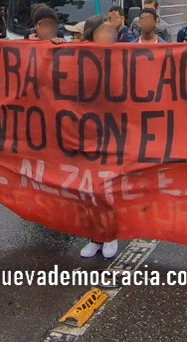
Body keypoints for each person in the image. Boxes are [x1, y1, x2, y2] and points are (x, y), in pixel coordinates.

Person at [74, 14, 123, 260]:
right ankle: (95, 236)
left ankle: (111, 234)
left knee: (108, 187)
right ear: (91, 34)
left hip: (114, 132)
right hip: (86, 132)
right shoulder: (76, 56)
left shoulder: (124, 55)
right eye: (103, 30)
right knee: (89, 189)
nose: (109, 33)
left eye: (110, 30)